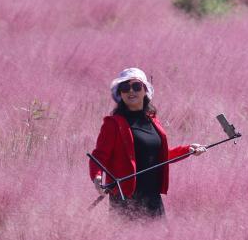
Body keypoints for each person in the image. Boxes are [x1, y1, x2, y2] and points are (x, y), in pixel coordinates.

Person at [89, 68, 207, 218]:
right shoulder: (113, 124)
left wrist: (188, 150)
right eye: (125, 87)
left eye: (136, 86)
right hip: (125, 199)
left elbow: (158, 156)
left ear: (145, 90)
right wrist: (97, 178)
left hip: (153, 198)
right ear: (120, 93)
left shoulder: (152, 120)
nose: (131, 91)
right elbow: (99, 156)